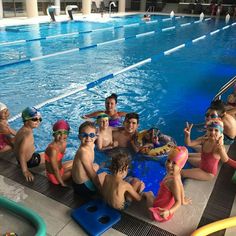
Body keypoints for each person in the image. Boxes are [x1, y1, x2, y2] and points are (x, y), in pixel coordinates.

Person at [143, 146, 191, 222]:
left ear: (181, 166)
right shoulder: (176, 174)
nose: (169, 165)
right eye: (168, 160)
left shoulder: (173, 181)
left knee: (148, 193)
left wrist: (168, 212)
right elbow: (181, 186)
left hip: (160, 214)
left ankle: (151, 214)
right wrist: (183, 200)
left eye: (174, 163)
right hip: (165, 210)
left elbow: (178, 202)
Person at [72, 121, 106, 199]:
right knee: (105, 176)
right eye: (84, 135)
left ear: (95, 137)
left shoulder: (90, 145)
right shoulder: (83, 152)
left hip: (77, 183)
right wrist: (101, 191)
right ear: (79, 137)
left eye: (91, 135)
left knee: (96, 165)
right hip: (83, 188)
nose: (88, 138)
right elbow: (93, 176)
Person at [14, 107, 44, 182]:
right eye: (34, 119)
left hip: (20, 160)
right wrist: (25, 171)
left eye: (39, 119)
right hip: (30, 161)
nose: (38, 121)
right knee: (48, 155)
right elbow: (21, 153)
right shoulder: (28, 135)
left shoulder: (22, 130)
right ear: (26, 121)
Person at [45, 120, 73, 186]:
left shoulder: (63, 143)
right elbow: (55, 169)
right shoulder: (53, 150)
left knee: (76, 162)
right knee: (75, 171)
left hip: (61, 169)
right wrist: (61, 182)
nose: (62, 135)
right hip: (54, 177)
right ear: (54, 134)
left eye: (65, 132)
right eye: (59, 133)